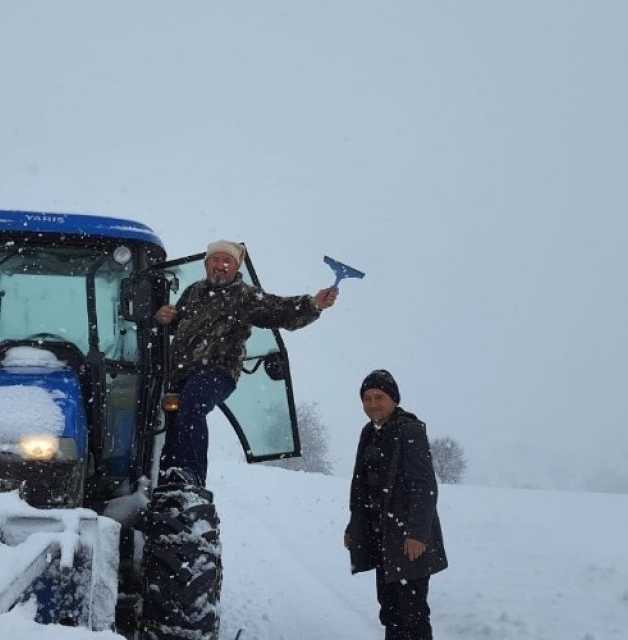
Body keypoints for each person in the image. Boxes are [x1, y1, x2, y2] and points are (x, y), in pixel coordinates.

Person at [154, 239, 338, 486]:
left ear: (236, 265)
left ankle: (191, 475)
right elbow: (182, 325)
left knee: (193, 401)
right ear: (207, 264)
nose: (220, 265)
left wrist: (313, 304)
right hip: (182, 372)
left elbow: (281, 310)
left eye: (227, 261)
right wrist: (166, 317)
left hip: (218, 370)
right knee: (171, 416)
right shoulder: (194, 292)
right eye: (215, 260)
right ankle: (167, 476)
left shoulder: (245, 296)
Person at [345, 369, 447, 640]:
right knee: (390, 609)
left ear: (393, 399)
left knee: (412, 614)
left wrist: (417, 533)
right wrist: (353, 526)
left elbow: (423, 486)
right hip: (384, 538)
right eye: (366, 398)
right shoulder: (369, 432)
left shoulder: (409, 430)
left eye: (379, 397)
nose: (372, 404)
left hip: (408, 540)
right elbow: (362, 487)